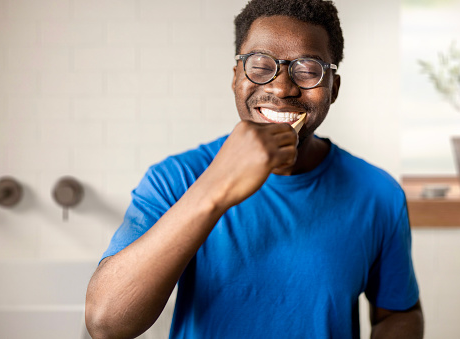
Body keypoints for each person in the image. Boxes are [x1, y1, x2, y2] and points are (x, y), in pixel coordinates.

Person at [85, 0, 424, 338]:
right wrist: (215, 187)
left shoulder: (378, 194)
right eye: (260, 66)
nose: (281, 88)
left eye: (307, 70)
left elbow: (399, 315)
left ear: (333, 88)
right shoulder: (174, 179)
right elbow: (106, 323)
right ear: (235, 78)